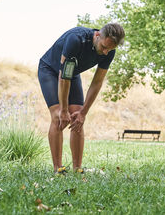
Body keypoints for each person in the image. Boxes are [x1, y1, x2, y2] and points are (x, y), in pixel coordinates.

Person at [38, 23, 125, 174]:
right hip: (50, 70)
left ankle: (77, 168)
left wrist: (83, 112)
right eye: (104, 47)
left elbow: (97, 82)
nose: (105, 52)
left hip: (72, 73)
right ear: (97, 36)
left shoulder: (109, 52)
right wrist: (64, 110)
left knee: (77, 117)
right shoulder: (76, 39)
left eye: (110, 49)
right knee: (59, 116)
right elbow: (63, 77)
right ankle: (58, 168)